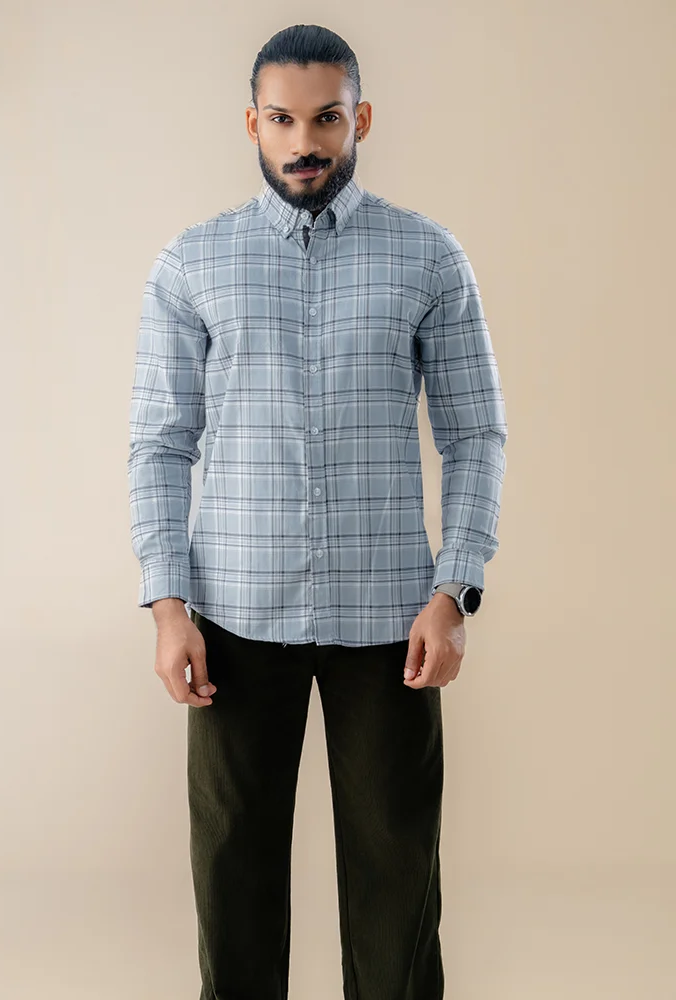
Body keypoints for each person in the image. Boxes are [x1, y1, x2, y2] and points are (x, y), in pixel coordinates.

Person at [127, 22, 507, 1000]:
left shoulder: (427, 257)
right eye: (283, 119)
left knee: (396, 886)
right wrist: (167, 605)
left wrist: (454, 592)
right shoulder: (193, 263)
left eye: (326, 118)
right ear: (251, 124)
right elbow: (161, 442)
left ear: (360, 119)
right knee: (233, 881)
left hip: (389, 623)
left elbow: (474, 434)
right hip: (232, 615)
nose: (305, 141)